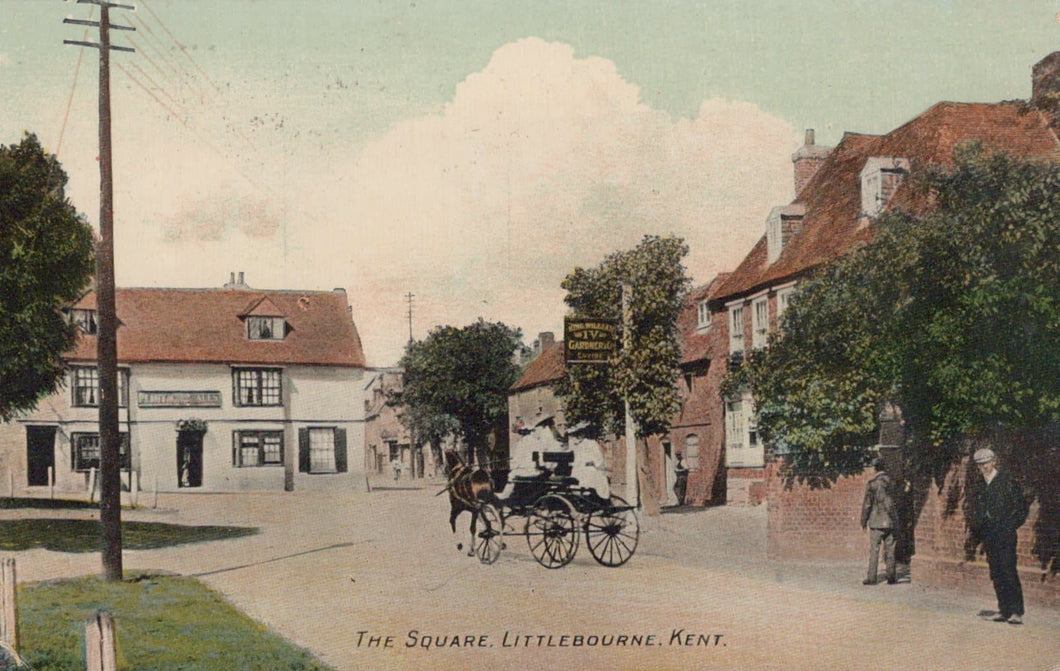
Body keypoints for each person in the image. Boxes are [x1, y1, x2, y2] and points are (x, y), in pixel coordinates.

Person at [969, 448, 1028, 625]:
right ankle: (1004, 610)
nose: (984, 467)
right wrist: (978, 530)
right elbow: (975, 509)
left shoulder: (1007, 481)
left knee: (1008, 570)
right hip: (988, 535)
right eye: (980, 465)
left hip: (1005, 535)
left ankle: (1016, 611)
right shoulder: (979, 484)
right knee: (996, 573)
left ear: (994, 462)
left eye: (986, 463)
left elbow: (1021, 508)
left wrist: (1009, 526)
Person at [860, 457, 897, 585]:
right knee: (891, 549)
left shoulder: (872, 484)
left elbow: (867, 504)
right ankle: (891, 576)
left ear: (875, 468)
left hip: (876, 522)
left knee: (874, 550)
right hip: (891, 520)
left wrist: (863, 521)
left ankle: (872, 578)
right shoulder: (892, 483)